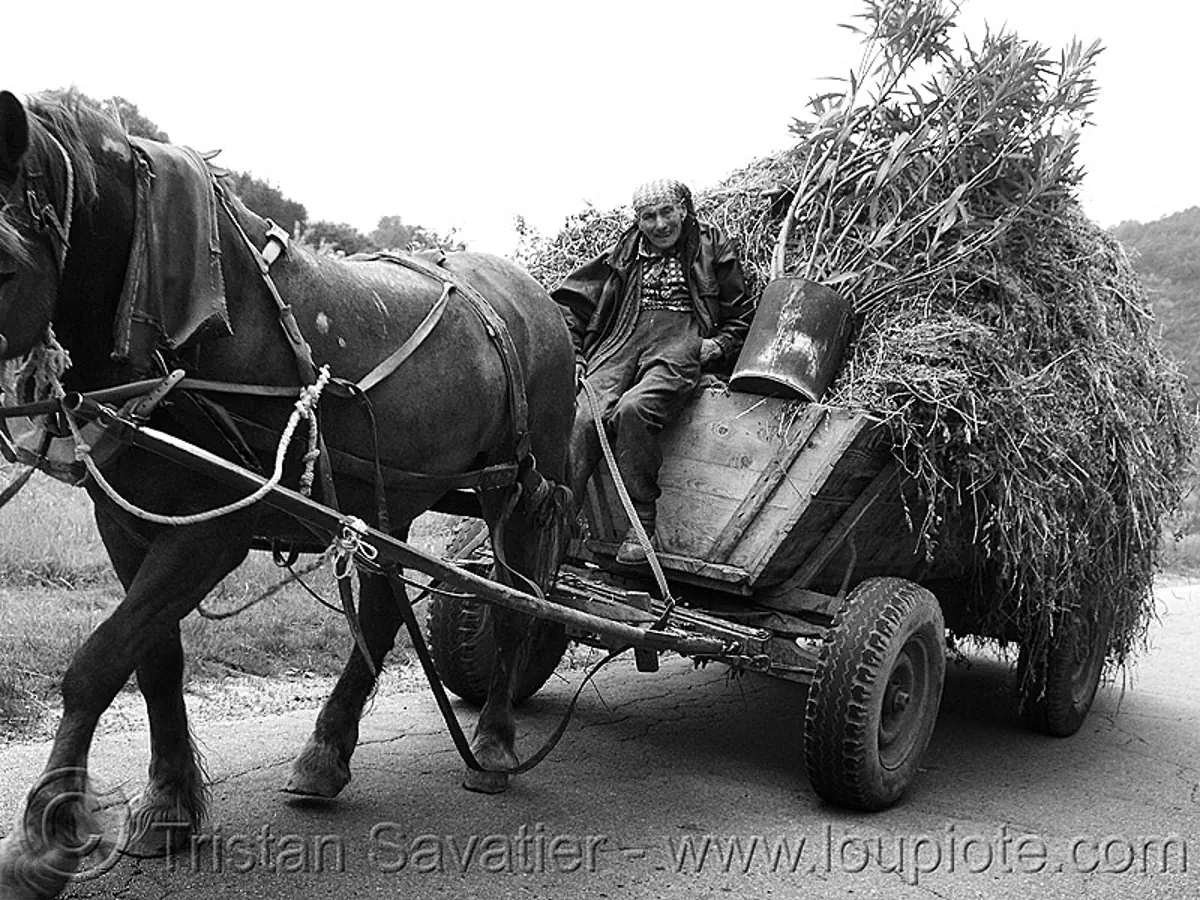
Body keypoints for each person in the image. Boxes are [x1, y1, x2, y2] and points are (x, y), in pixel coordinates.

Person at [554, 178, 753, 564]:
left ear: (683, 209)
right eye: (648, 217)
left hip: (680, 338)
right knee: (582, 416)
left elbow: (741, 315)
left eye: (667, 212)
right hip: (623, 338)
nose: (660, 224)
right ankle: (562, 520)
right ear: (637, 221)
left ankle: (641, 522)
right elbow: (571, 301)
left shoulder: (711, 244)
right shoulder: (625, 251)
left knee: (634, 410)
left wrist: (718, 346)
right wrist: (576, 354)